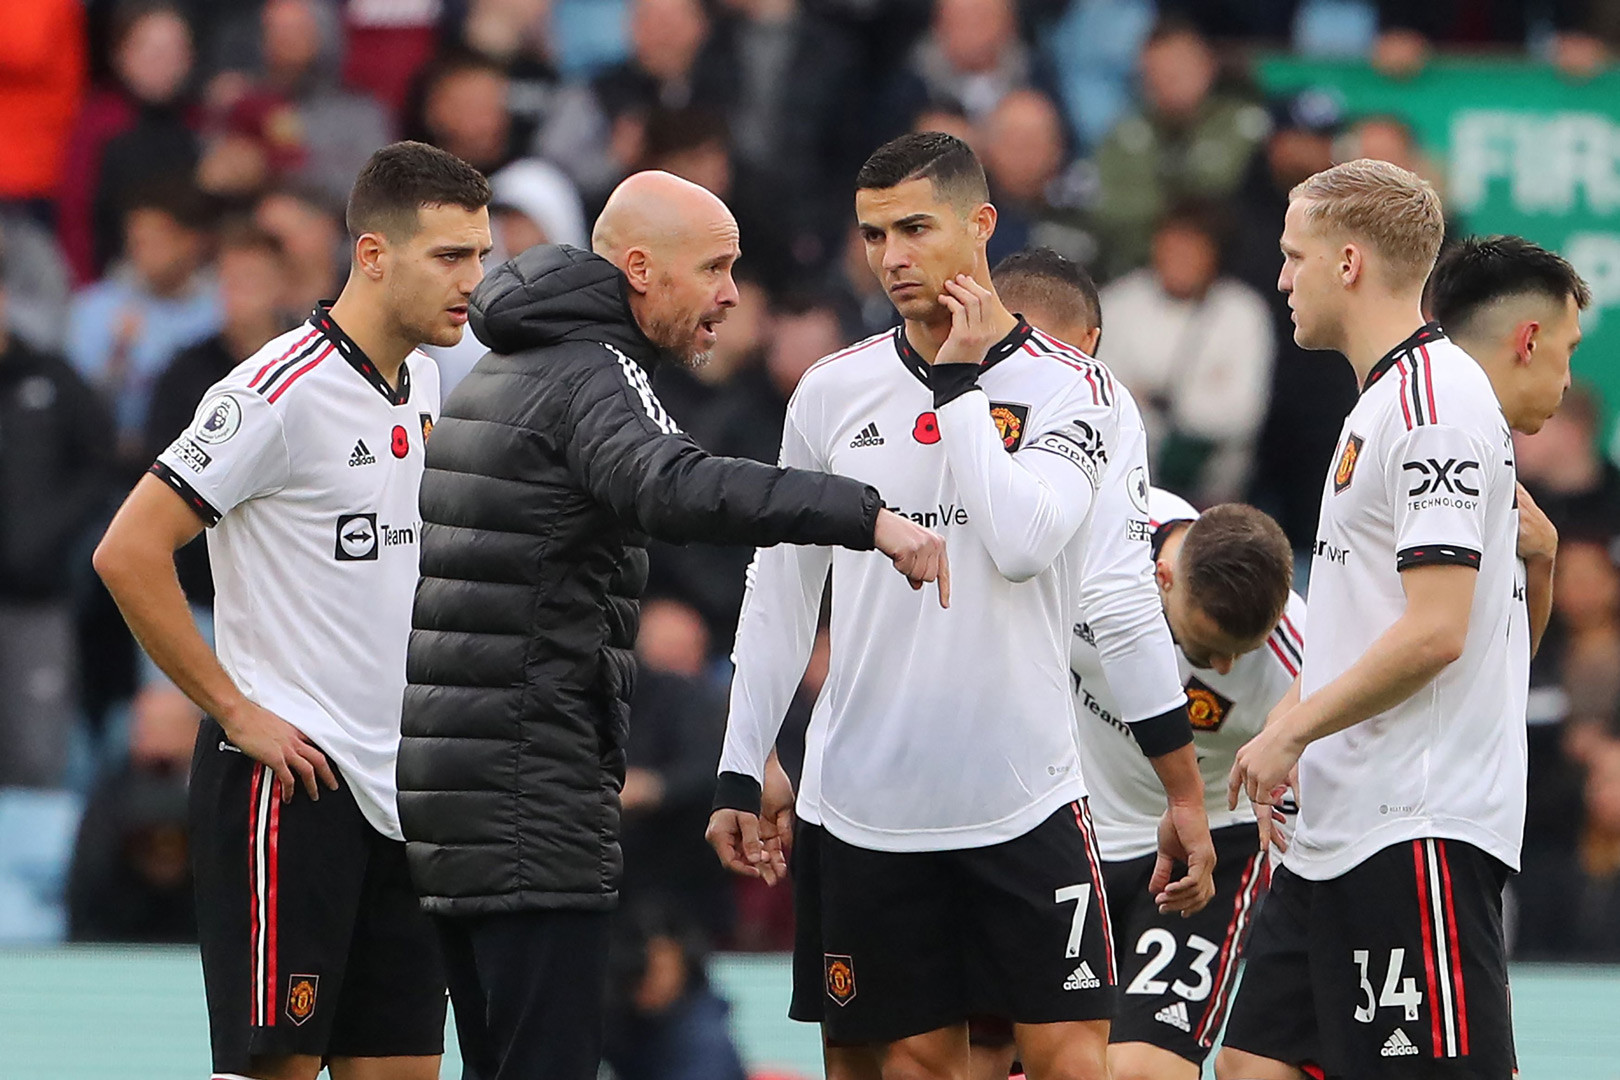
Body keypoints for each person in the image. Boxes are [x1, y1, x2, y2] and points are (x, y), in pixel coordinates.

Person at [398, 168, 946, 1080]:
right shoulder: (593, 369)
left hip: (456, 793)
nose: (734, 294)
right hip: (533, 794)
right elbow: (674, 483)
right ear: (642, 269)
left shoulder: (505, 368)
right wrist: (865, 514)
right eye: (717, 268)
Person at [708, 133, 1213, 1080]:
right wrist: (744, 765)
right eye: (872, 235)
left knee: (1072, 1062)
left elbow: (1046, 558)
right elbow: (780, 589)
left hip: (1024, 799)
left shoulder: (1081, 393)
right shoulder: (830, 392)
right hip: (859, 805)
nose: (892, 256)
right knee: (884, 1067)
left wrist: (1180, 789)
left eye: (914, 228)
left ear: (980, 225)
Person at [92, 141, 494, 1080]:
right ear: (373, 255)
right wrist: (233, 711)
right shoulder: (275, 394)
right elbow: (129, 550)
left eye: (480, 256)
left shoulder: (425, 383)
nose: (472, 281)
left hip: (403, 791)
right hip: (292, 785)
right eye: (450, 257)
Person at [1219, 163, 1579, 1080]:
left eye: (1294, 256)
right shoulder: (1385, 402)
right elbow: (1414, 629)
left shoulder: (1434, 404)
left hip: (1411, 825)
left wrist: (1290, 727)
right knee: (1252, 1066)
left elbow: (1438, 633)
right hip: (1340, 828)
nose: (1281, 278)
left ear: (1348, 263)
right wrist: (1300, 739)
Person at [989, 249, 1302, 1080]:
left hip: (1210, 852)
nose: (1226, 664)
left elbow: (1358, 722)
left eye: (1241, 652)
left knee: (1140, 1073)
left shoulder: (1296, 642)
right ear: (1162, 578)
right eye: (1205, 650)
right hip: (1072, 837)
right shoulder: (1089, 544)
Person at [1097, 204, 1275, 503]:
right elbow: (1102, 400)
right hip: (1126, 486)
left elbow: (1243, 413)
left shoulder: (1244, 312)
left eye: (1193, 251)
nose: (1181, 261)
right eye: (1173, 249)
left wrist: (1163, 405)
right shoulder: (1116, 304)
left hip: (1213, 492)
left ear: (1214, 254)